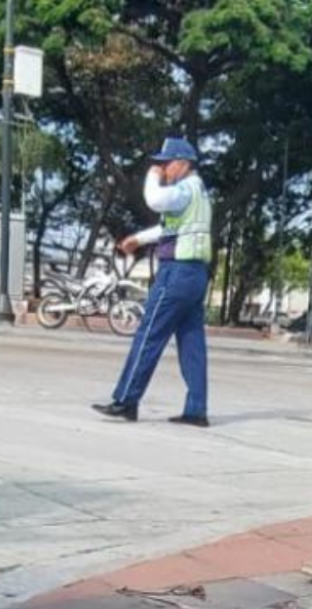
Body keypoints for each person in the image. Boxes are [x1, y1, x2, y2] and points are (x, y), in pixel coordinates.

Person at [93, 137, 212, 427]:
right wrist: (139, 239)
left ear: (183, 163)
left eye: (166, 163)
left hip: (177, 273)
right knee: (192, 341)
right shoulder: (197, 193)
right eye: (160, 165)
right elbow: (168, 227)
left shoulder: (185, 188)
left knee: (149, 335)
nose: (163, 169)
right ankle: (196, 410)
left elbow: (154, 200)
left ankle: (126, 401)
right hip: (195, 274)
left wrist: (151, 176)